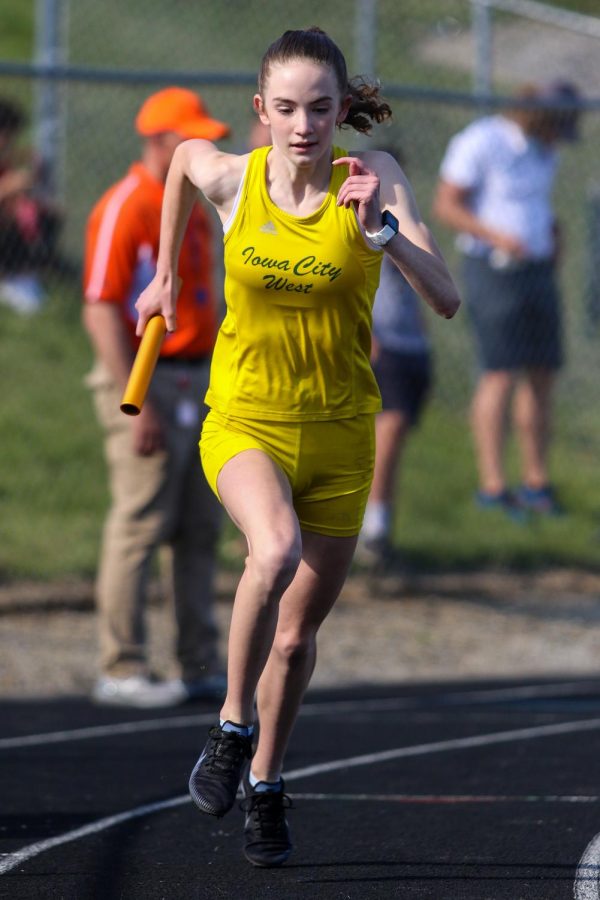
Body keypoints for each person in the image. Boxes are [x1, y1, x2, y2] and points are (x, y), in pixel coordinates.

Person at [135, 27, 460, 867]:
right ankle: (230, 728)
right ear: (262, 112)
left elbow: (448, 297)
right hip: (246, 420)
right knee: (269, 552)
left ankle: (269, 785)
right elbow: (179, 162)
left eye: (321, 107)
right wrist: (165, 274)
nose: (304, 125)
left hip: (342, 435)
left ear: (342, 109)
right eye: (286, 108)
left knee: (294, 637)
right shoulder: (235, 179)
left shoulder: (375, 178)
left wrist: (384, 234)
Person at [83, 87, 230, 708]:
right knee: (140, 523)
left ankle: (197, 661)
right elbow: (99, 307)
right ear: (158, 140)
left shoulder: (191, 206)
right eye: (187, 136)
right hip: (146, 376)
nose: (201, 148)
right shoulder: (126, 205)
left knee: (199, 525)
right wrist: (131, 398)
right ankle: (121, 665)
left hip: (198, 377)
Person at [432, 80, 581, 518]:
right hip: (493, 270)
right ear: (540, 117)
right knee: (499, 373)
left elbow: (531, 202)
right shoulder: (482, 141)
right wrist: (497, 235)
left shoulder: (544, 149)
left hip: (537, 270)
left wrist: (551, 231)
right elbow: (447, 205)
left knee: (542, 373)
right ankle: (493, 487)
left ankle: (537, 483)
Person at [358, 252, 432, 564]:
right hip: (381, 341)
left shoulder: (400, 218)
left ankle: (377, 525)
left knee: (392, 435)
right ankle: (374, 528)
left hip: (411, 343)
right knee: (389, 428)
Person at [0, 96, 62, 314]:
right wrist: (12, 185)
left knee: (47, 214)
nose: (10, 142)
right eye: (8, 135)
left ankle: (29, 272)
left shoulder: (8, 159)